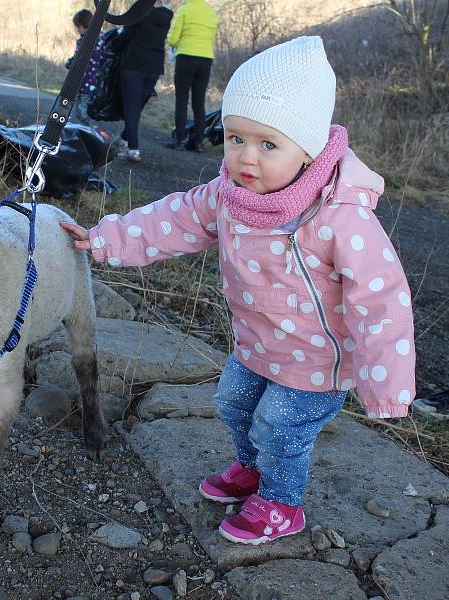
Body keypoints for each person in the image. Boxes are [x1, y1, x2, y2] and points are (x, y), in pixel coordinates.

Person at [61, 37, 416, 545]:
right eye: (235, 138)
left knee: (281, 426)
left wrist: (387, 385)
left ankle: (281, 503)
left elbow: (381, 299)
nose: (246, 157)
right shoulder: (229, 195)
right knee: (233, 403)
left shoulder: (339, 217)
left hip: (318, 361)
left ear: (309, 149)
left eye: (268, 144)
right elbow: (171, 220)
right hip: (256, 345)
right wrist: (102, 239)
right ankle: (252, 471)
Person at [111, 0, 172, 163]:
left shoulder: (141, 9)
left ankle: (133, 149)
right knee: (137, 105)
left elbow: (127, 34)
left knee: (132, 106)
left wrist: (113, 46)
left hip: (134, 63)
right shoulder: (167, 15)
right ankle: (124, 138)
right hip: (154, 66)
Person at [166, 0, 218, 152]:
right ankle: (199, 142)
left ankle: (180, 140)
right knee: (199, 102)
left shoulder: (185, 10)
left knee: (181, 100)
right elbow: (212, 37)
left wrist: (173, 42)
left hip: (186, 57)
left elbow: (173, 37)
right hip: (206, 59)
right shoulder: (211, 13)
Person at [66, 9, 106, 127]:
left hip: (84, 82)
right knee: (77, 108)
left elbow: (79, 57)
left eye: (78, 27)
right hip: (93, 81)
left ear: (82, 25)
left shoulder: (86, 39)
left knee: (79, 111)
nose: (78, 30)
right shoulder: (100, 38)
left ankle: (92, 131)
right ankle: (83, 130)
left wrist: (70, 63)